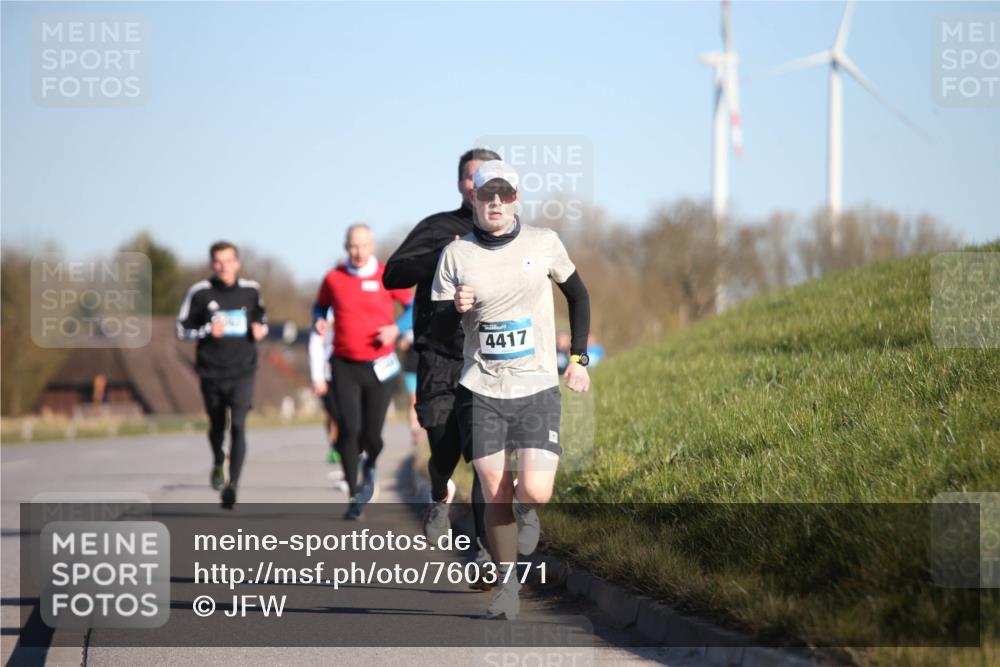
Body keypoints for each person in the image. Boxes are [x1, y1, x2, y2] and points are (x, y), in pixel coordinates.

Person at [432, 160, 592, 620]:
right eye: (487, 194)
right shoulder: (456, 256)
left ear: (517, 198)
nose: (496, 202)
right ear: (475, 200)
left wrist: (578, 360)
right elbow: (441, 333)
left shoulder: (544, 244)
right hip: (481, 387)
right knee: (494, 486)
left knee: (535, 491)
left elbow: (578, 296)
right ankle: (507, 586)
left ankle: (529, 511)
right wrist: (453, 309)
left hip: (538, 385)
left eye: (504, 193)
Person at [383, 148, 499, 587]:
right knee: (444, 451)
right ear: (460, 185)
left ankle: (483, 554)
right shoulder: (437, 227)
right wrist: (440, 255)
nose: (481, 185)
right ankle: (438, 493)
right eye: (473, 178)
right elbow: (392, 275)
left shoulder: (511, 237)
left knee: (487, 463)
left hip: (487, 361)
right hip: (439, 358)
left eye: (490, 178)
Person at [314, 224, 412, 520]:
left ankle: (370, 464)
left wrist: (397, 328)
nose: (358, 252)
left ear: (372, 246)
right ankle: (355, 494)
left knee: (373, 435)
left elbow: (413, 308)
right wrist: (319, 320)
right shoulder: (334, 278)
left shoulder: (387, 275)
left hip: (379, 366)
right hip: (344, 365)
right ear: (346, 247)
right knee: (348, 429)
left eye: (363, 246)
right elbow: (319, 308)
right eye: (353, 246)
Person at [177, 241, 268, 509]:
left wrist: (259, 329)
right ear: (212, 264)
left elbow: (261, 319)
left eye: (228, 261)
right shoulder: (200, 293)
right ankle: (218, 459)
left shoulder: (251, 291)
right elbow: (181, 329)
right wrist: (207, 330)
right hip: (211, 371)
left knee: (238, 425)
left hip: (243, 369)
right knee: (217, 425)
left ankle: (233, 486)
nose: (223, 266)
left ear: (237, 263)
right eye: (218, 261)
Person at [308, 306, 341, 464]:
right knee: (332, 414)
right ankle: (334, 445)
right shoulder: (325, 313)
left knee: (347, 414)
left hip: (349, 370)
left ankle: (348, 445)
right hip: (327, 372)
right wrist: (317, 377)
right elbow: (315, 343)